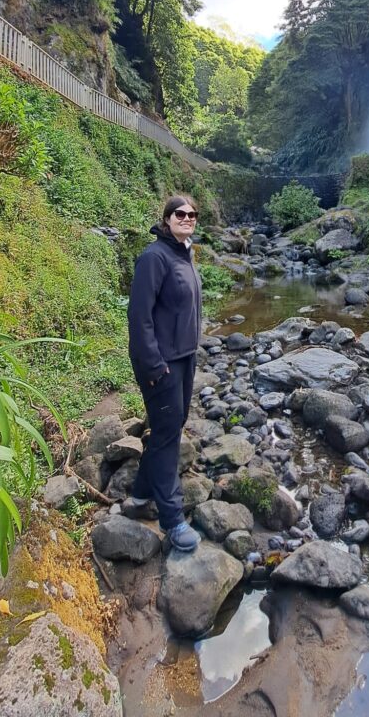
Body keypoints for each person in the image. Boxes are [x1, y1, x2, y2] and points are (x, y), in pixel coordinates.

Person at [123, 195, 203, 551]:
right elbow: (139, 318)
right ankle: (172, 520)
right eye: (180, 214)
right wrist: (154, 365)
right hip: (161, 363)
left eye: (192, 214)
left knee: (172, 425)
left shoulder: (184, 253)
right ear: (167, 218)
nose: (187, 218)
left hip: (184, 357)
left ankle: (140, 496)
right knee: (169, 434)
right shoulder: (154, 257)